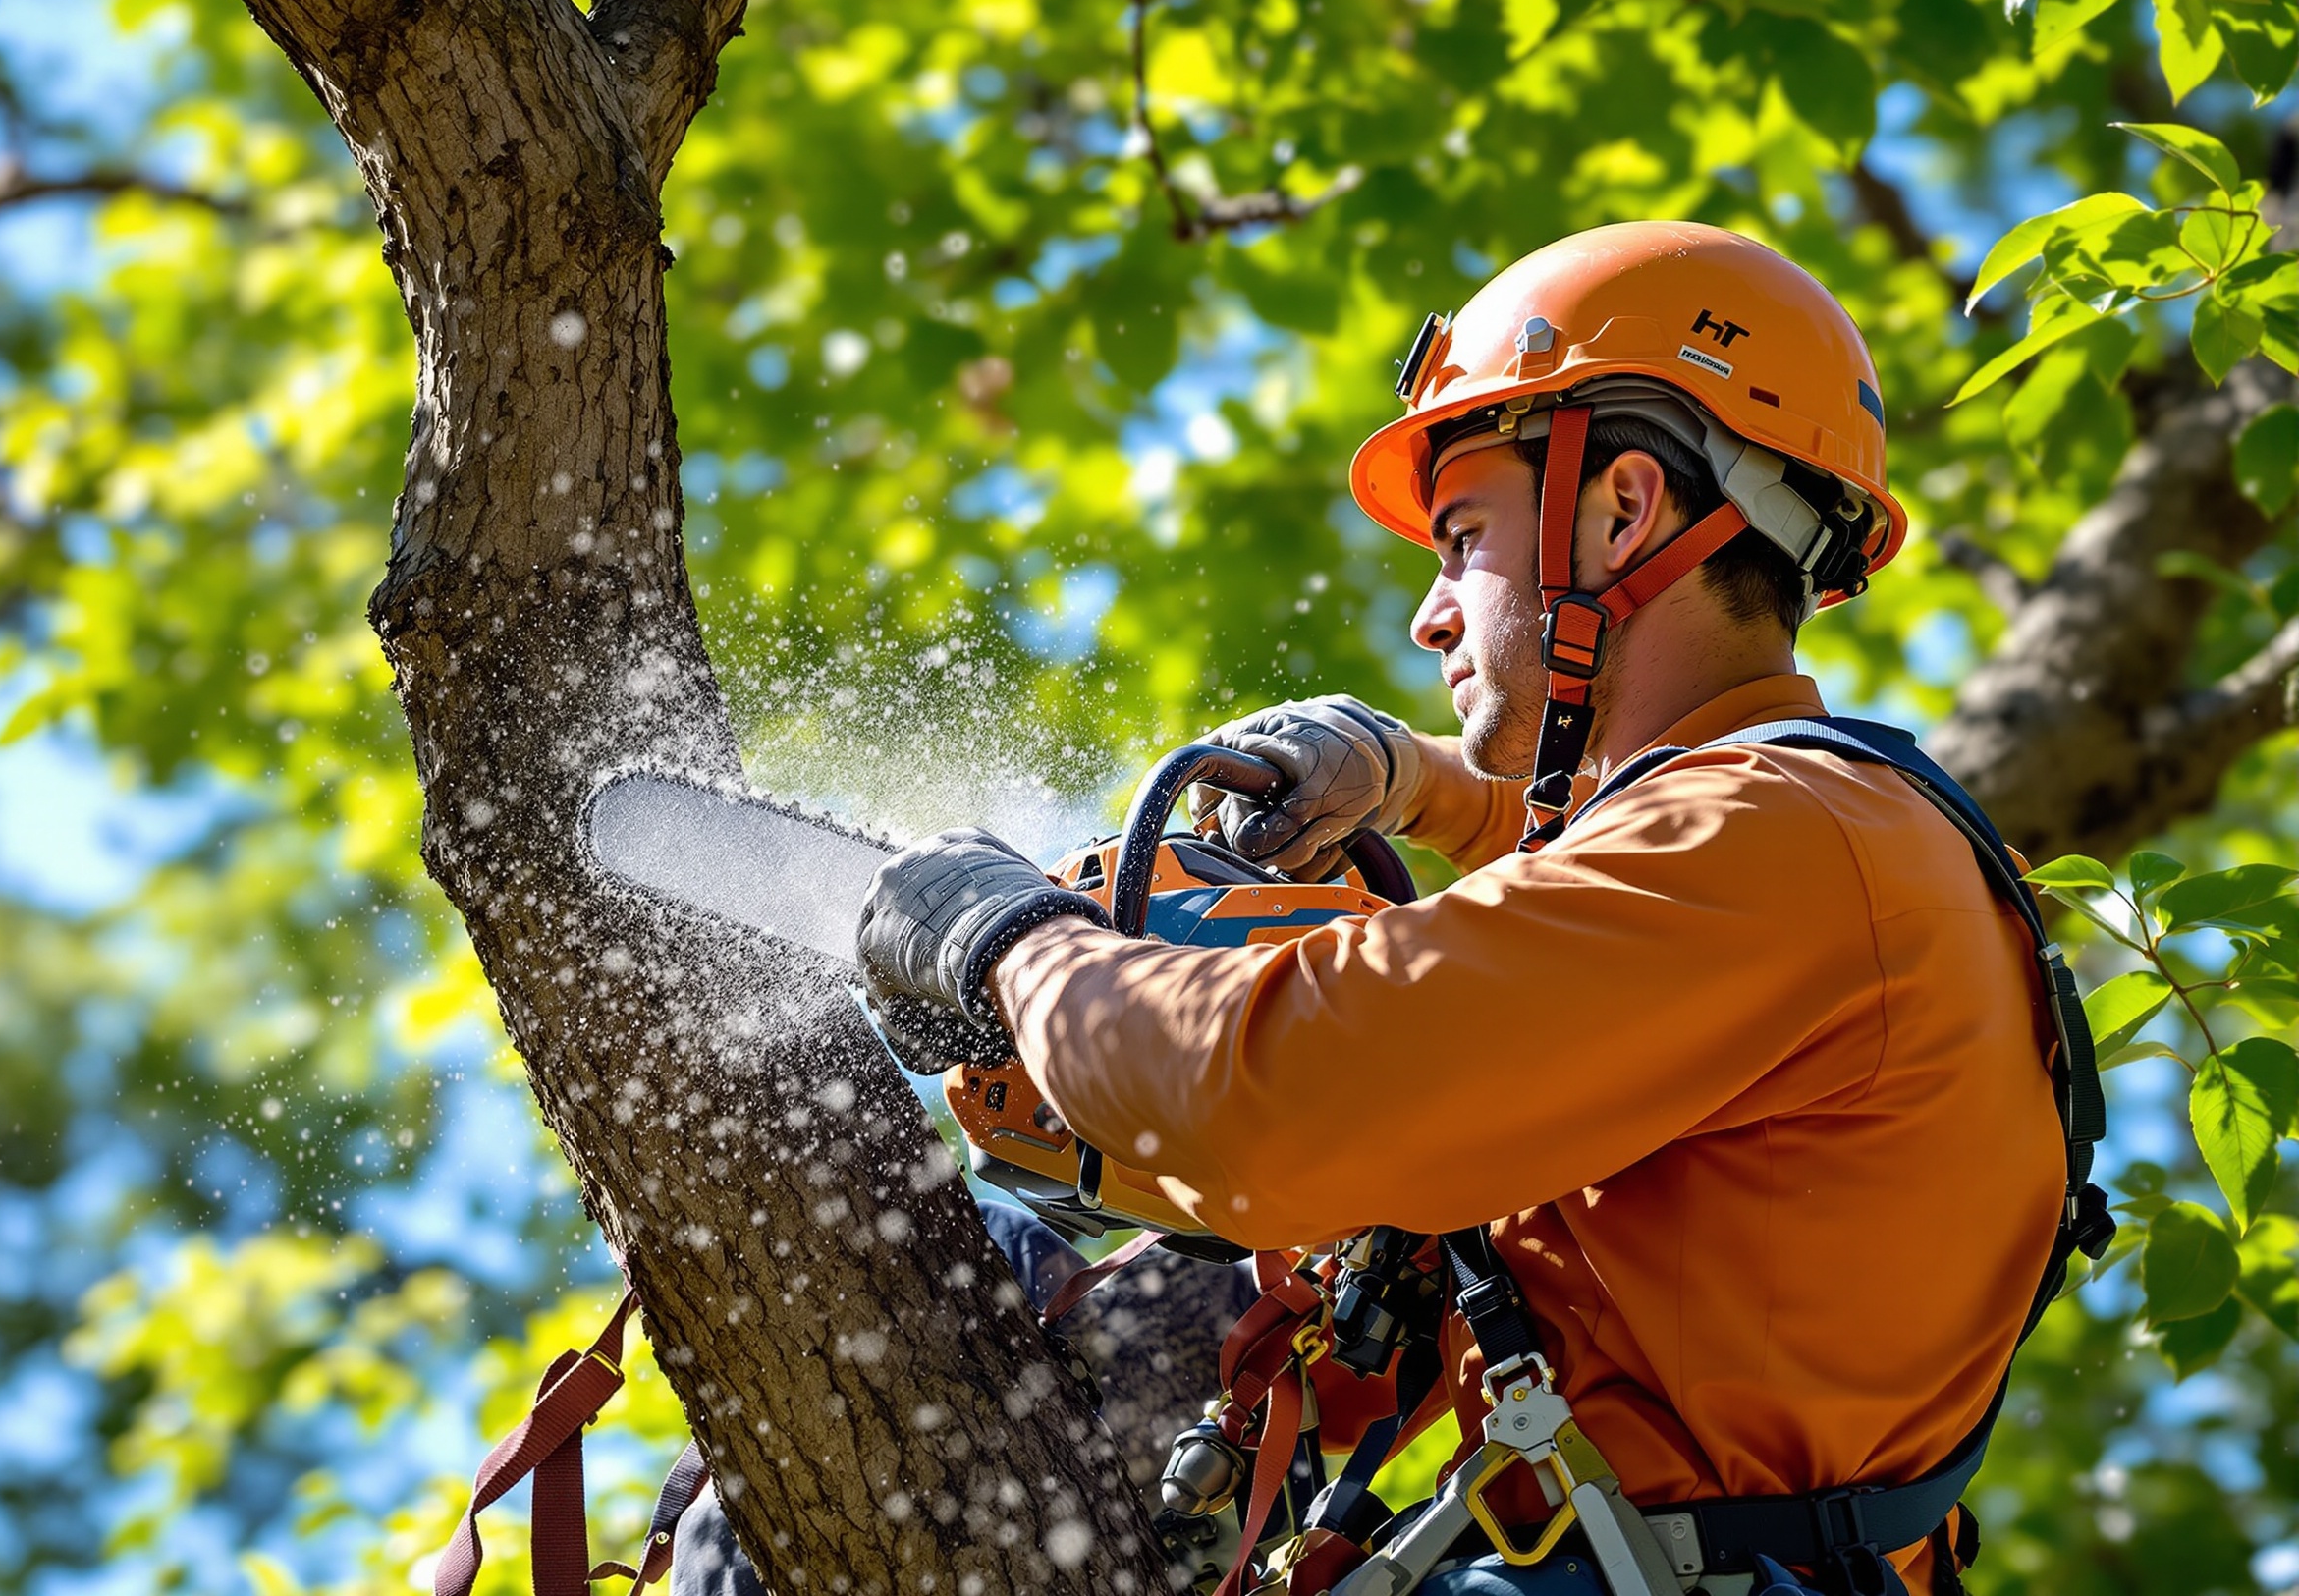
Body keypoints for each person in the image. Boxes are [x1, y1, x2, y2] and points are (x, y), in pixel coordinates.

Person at [856, 223, 2107, 1596]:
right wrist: (1418, 785)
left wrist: (1011, 943)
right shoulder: (1821, 841)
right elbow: (1595, 883)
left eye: (1462, 540)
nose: (1431, 618)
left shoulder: (1779, 838)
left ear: (1624, 511)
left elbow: (1258, 1098)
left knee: (988, 1265)